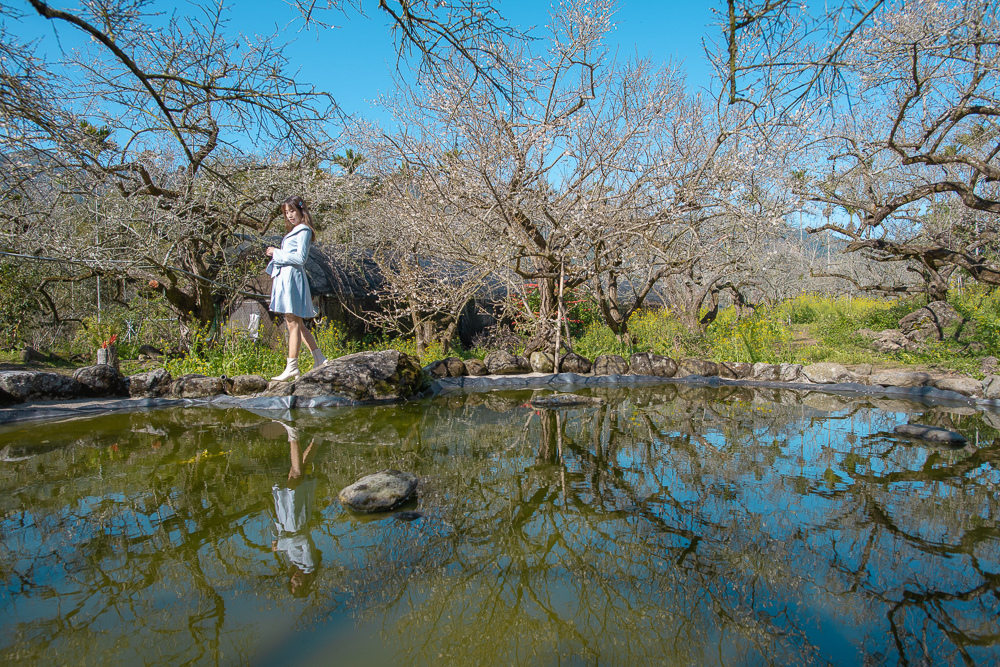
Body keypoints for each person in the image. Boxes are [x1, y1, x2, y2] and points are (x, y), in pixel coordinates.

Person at [266, 195, 327, 381]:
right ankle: (320, 359)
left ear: (301, 210)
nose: (289, 215)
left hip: (292, 279)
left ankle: (292, 367)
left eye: (292, 211)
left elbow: (301, 258)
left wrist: (276, 252)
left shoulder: (303, 231)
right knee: (297, 324)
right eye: (286, 212)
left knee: (292, 323)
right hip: (286, 279)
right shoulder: (295, 231)